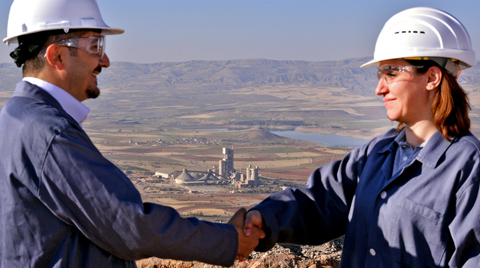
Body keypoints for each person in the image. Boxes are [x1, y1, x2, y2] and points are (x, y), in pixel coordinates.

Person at [0, 0, 264, 267]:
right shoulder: (49, 132)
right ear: (57, 56)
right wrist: (228, 239)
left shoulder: (15, 117)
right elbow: (128, 225)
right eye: (95, 46)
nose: (105, 61)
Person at [242, 7, 480, 268]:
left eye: (391, 73)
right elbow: (319, 202)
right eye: (380, 74)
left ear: (432, 77)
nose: (379, 88)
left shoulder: (468, 167)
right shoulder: (377, 153)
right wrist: (264, 218)